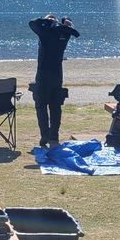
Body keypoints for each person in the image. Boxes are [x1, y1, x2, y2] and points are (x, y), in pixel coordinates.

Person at [29, 13, 80, 147]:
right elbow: (73, 30)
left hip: (43, 74)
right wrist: (64, 23)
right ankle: (53, 135)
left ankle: (45, 134)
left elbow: (32, 23)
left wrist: (47, 21)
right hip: (57, 75)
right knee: (55, 106)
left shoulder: (45, 33)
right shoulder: (64, 34)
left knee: (41, 106)